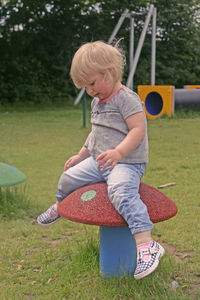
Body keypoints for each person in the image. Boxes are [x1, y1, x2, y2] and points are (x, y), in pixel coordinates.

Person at [37, 40, 164, 279]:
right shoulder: (97, 101)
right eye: (85, 87)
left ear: (110, 72)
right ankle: (60, 206)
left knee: (121, 191)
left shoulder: (127, 99)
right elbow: (96, 133)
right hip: (100, 161)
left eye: (92, 83)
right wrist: (81, 154)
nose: (90, 91)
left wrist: (118, 152)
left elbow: (138, 130)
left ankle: (147, 244)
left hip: (126, 162)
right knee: (69, 177)